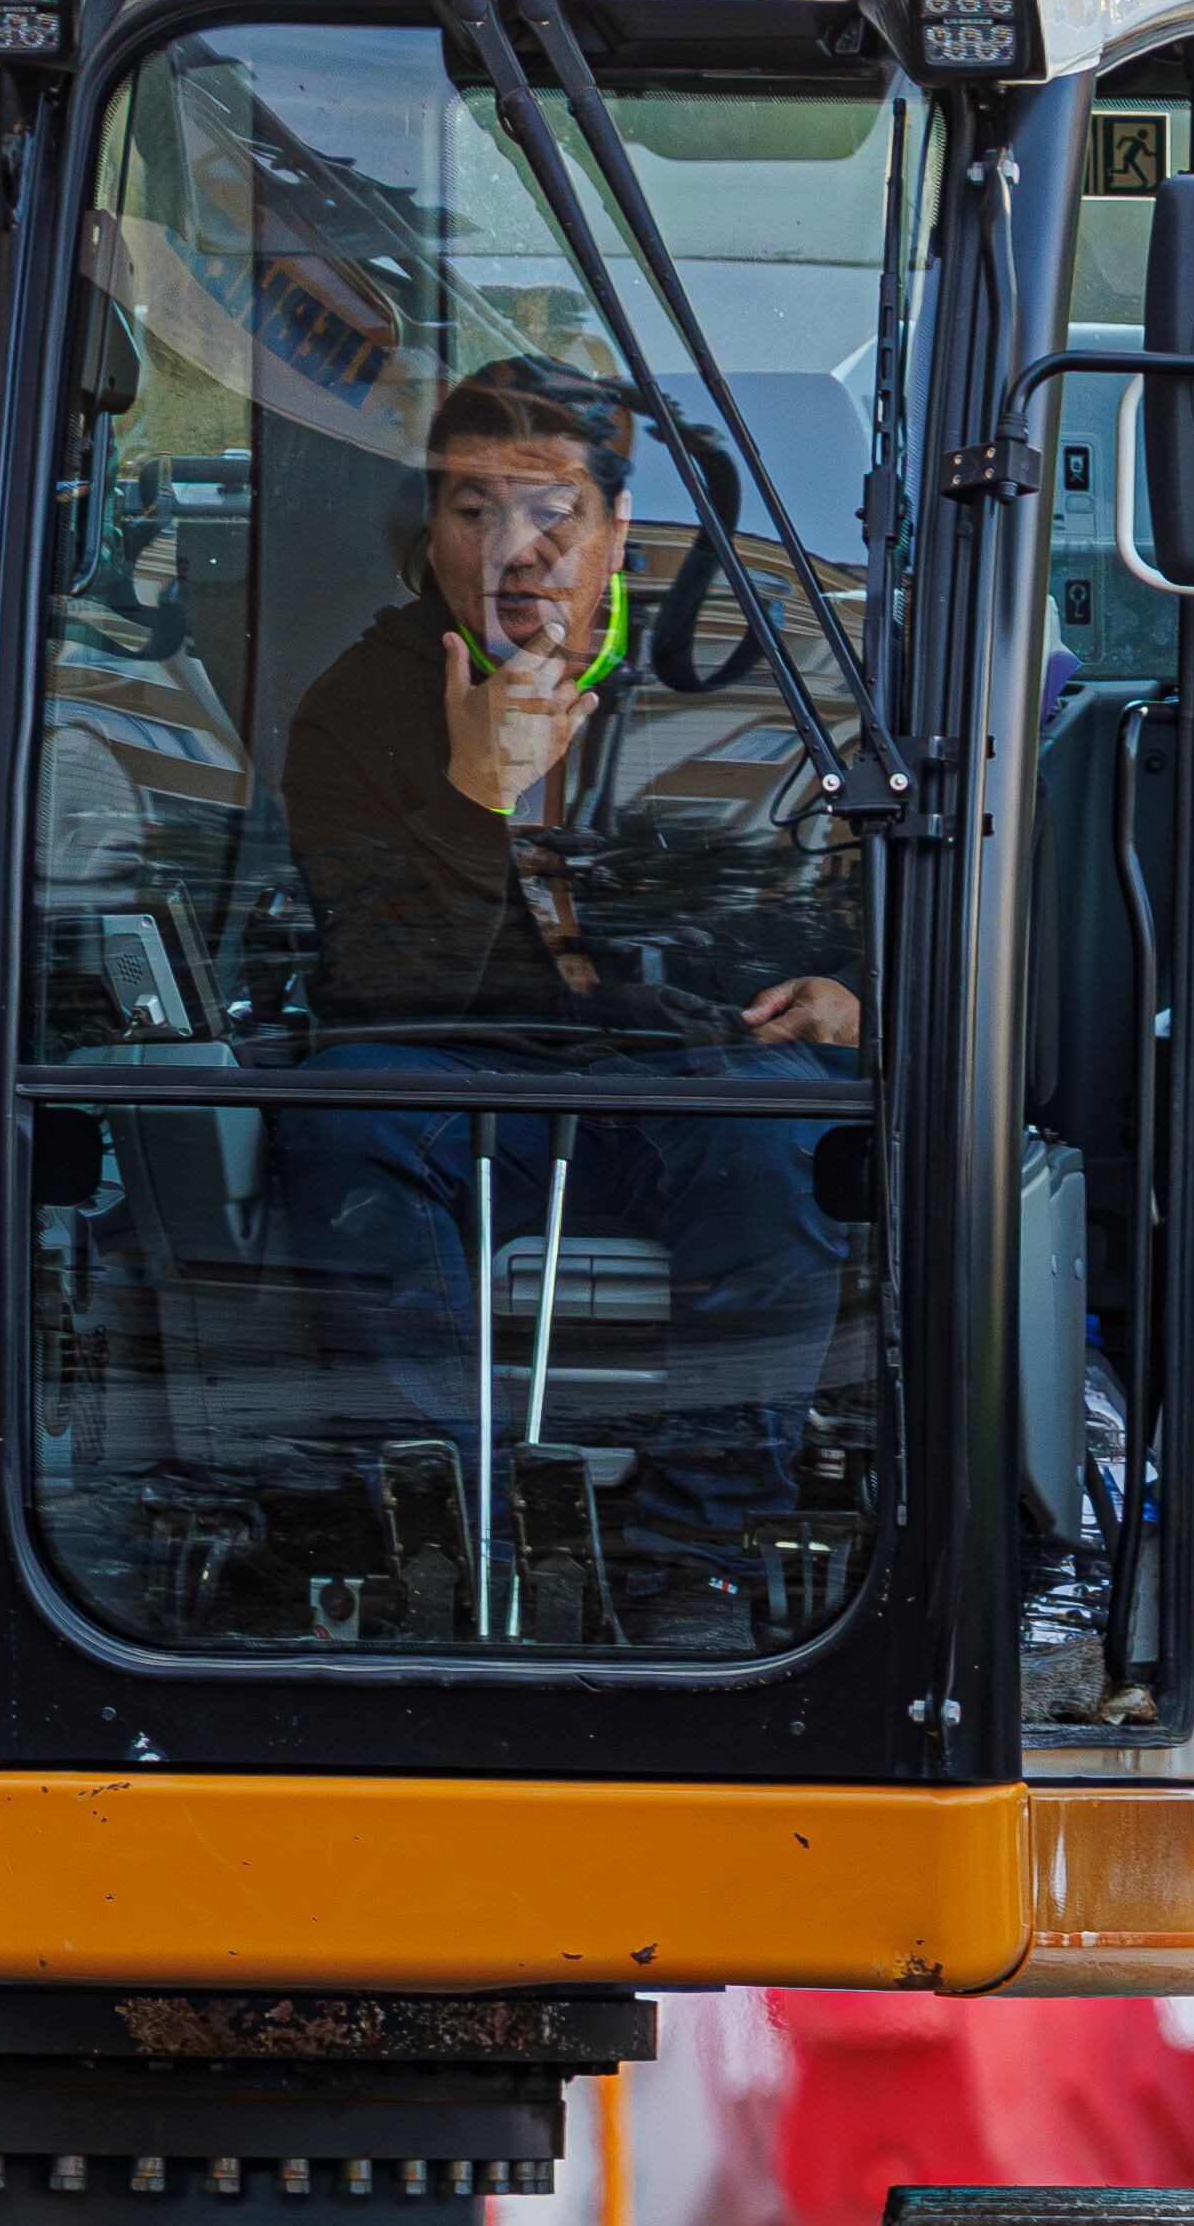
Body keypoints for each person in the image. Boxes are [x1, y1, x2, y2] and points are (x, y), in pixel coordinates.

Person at [273, 359, 862, 1629]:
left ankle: (695, 1557)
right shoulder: (354, 710)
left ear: (617, 531)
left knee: (774, 1137)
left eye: (550, 512)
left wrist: (852, 997)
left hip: (691, 1077)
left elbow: (880, 907)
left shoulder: (755, 687)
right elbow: (375, 983)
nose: (512, 551)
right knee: (341, 1114)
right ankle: (444, 1542)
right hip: (462, 1076)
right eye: (470, 511)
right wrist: (472, 799)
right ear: (424, 536)